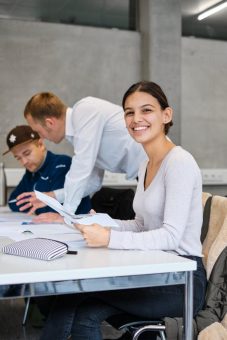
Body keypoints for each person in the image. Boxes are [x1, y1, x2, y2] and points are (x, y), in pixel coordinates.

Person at [39, 81, 207, 340]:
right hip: (155, 267)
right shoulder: (146, 165)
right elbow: (142, 224)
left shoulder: (180, 162)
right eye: (129, 112)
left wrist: (109, 238)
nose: (136, 119)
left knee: (72, 293)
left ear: (166, 115)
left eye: (146, 110)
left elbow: (171, 236)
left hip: (180, 280)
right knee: (82, 312)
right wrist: (108, 224)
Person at [19, 93, 147, 220]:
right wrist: (51, 196)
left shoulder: (85, 110)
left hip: (157, 166)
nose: (40, 137)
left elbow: (81, 169)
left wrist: (64, 216)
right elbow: (92, 183)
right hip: (146, 172)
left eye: (38, 131)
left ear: (49, 123)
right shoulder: (82, 131)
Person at [3, 125, 91, 215]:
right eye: (18, 158)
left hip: (79, 226)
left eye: (27, 153)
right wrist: (36, 202)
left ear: (40, 145)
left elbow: (56, 210)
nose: (24, 162)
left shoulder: (62, 164)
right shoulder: (31, 172)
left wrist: (35, 204)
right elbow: (13, 202)